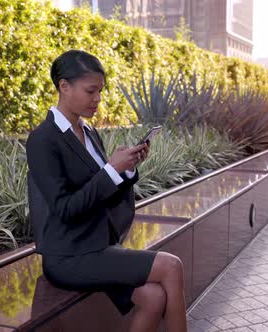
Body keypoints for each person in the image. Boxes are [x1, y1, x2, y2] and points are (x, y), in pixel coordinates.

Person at [25, 50, 187, 332]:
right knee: (171, 266)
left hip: (97, 245)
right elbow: (65, 208)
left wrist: (124, 169)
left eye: (100, 91)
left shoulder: (89, 133)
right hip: (68, 255)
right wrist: (110, 171)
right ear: (64, 87)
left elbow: (101, 191)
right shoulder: (42, 140)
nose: (97, 99)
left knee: (154, 297)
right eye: (91, 91)